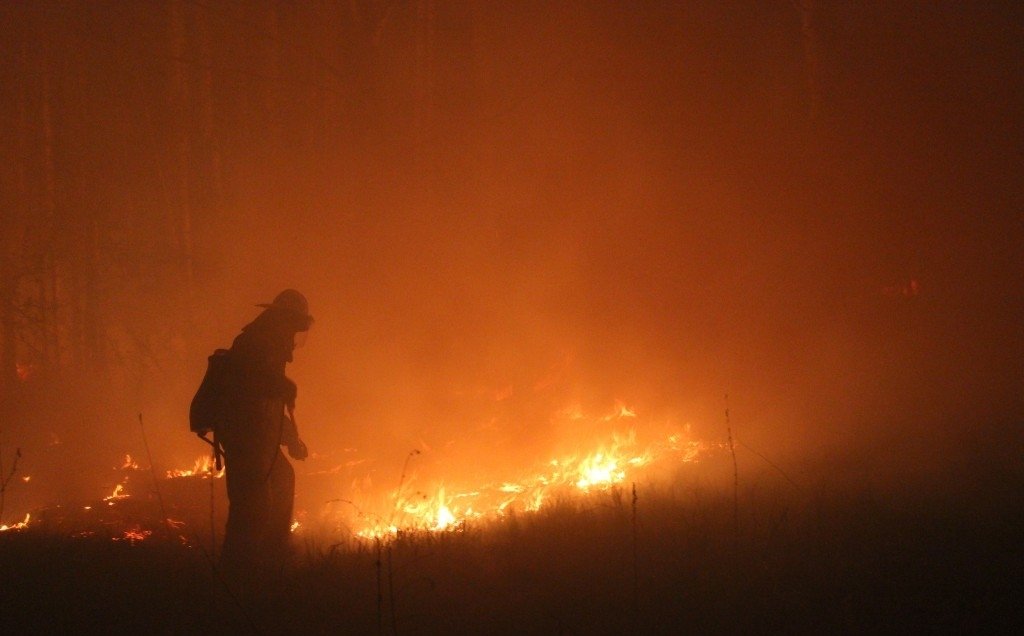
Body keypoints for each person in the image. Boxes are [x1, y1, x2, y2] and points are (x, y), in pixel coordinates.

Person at [219, 289, 312, 576]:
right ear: (282, 319)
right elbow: (249, 397)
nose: (293, 339)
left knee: (282, 479)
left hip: (258, 437)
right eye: (293, 327)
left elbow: (269, 409)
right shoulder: (254, 345)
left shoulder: (268, 347)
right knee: (251, 503)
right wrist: (280, 386)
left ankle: (273, 556)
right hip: (245, 438)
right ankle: (238, 571)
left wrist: (290, 439)